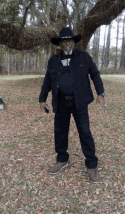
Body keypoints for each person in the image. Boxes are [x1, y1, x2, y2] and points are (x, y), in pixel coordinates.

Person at [39, 27, 106, 183]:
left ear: (74, 42)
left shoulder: (84, 57)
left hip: (80, 101)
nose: (67, 43)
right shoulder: (53, 60)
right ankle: (62, 159)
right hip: (61, 102)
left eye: (69, 40)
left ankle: (91, 165)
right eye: (64, 41)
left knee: (85, 132)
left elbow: (95, 74)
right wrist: (42, 99)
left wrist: (100, 93)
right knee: (60, 132)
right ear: (60, 44)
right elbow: (47, 80)